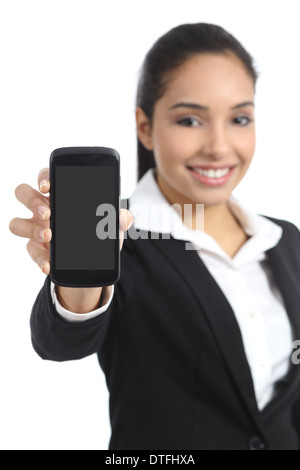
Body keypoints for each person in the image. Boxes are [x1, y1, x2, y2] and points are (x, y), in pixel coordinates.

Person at [9, 23, 300, 450]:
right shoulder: (114, 231)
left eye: (240, 118)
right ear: (145, 127)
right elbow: (59, 342)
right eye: (189, 119)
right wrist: (75, 282)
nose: (219, 146)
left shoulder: (286, 240)